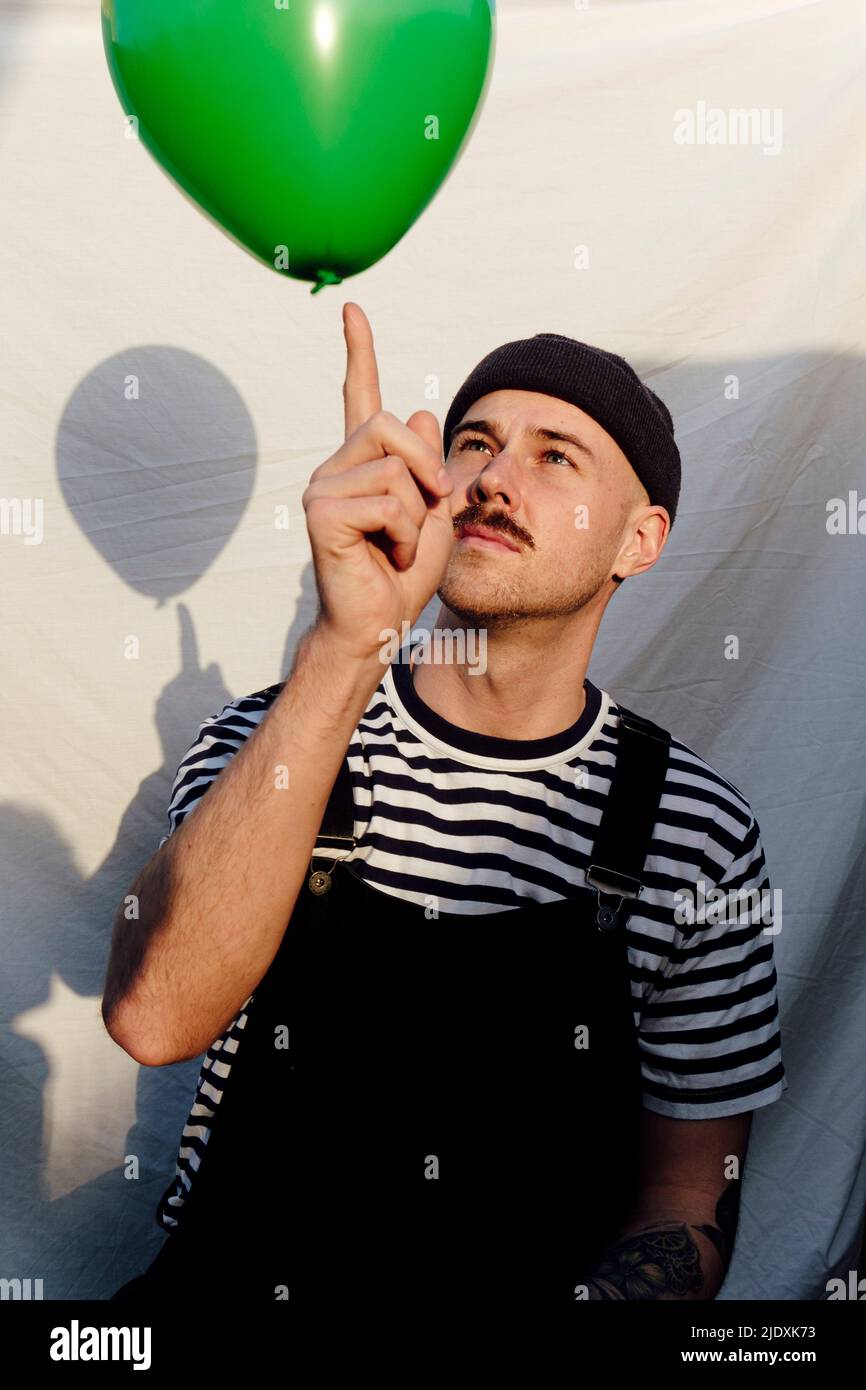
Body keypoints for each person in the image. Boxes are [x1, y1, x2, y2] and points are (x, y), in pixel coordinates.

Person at [103, 303, 786, 1305]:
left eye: (556, 457)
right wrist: (346, 647)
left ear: (638, 541)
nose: (493, 481)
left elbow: (687, 1200)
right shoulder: (276, 739)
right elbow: (155, 1016)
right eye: (474, 442)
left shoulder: (697, 835)